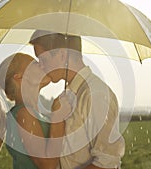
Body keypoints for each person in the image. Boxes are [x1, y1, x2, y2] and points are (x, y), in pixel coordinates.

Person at [30, 31, 125, 169]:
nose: (41, 66)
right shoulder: (65, 97)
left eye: (43, 60)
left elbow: (107, 163)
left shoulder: (95, 94)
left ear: (62, 55)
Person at [0, 53, 73, 169]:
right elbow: (47, 165)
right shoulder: (23, 115)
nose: (43, 66)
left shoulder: (30, 114)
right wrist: (57, 118)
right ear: (19, 77)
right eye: (35, 64)